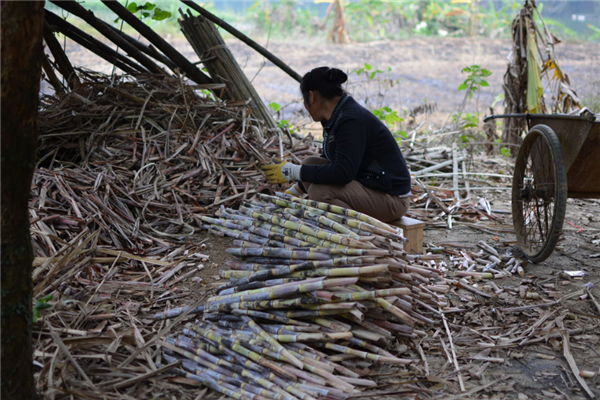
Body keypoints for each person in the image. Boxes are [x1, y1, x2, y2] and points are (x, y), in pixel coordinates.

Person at [262, 66, 411, 223]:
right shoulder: (337, 116)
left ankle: (353, 235)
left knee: (320, 192)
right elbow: (332, 161)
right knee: (310, 163)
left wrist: (293, 171)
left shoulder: (350, 120)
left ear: (312, 97)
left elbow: (343, 173)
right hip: (367, 184)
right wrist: (295, 191)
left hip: (392, 198)